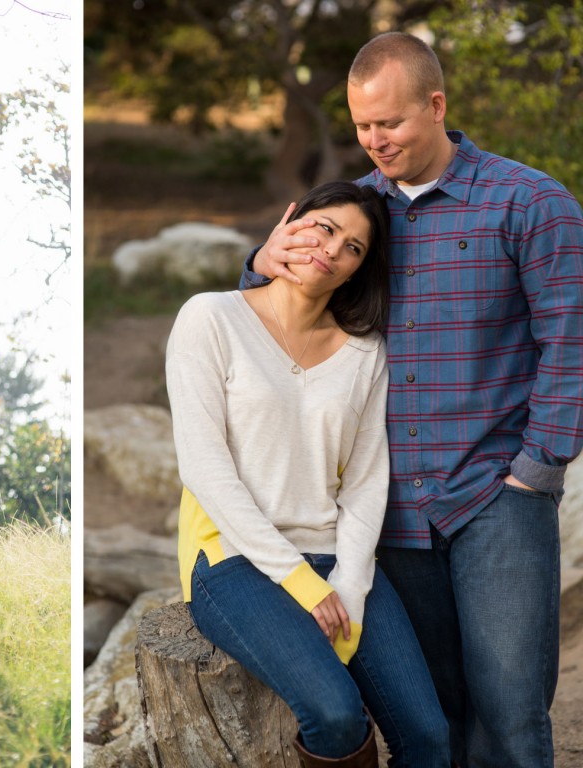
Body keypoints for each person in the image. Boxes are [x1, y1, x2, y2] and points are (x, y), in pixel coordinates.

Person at [244, 31, 583, 767]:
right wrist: (257, 264)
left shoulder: (530, 201)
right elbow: (275, 319)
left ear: (436, 105)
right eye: (363, 126)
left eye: (390, 123)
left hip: (497, 496)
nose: (375, 141)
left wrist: (539, 468)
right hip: (388, 507)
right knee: (432, 717)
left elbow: (571, 339)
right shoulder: (353, 220)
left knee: (512, 717)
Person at [168, 180, 449, 767]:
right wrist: (300, 582)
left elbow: (367, 482)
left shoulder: (364, 352)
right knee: (336, 715)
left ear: (356, 272)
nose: (331, 249)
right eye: (325, 228)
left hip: (335, 556)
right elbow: (204, 468)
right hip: (232, 561)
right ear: (291, 221)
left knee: (428, 736)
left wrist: (348, 582)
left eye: (353, 247)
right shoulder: (210, 318)